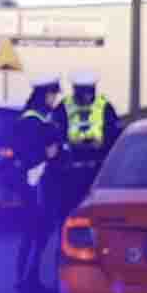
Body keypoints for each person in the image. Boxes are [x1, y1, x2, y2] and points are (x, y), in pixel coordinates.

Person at [12, 75, 63, 293]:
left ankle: (30, 282)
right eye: (53, 94)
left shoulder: (39, 118)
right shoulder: (32, 121)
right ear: (45, 95)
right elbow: (29, 155)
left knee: (36, 235)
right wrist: (48, 153)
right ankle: (26, 285)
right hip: (35, 184)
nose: (54, 98)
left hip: (40, 184)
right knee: (34, 234)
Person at [50, 71, 121, 226]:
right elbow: (54, 134)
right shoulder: (64, 107)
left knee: (96, 212)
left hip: (96, 169)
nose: (87, 95)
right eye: (83, 91)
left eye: (90, 91)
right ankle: (64, 246)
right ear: (75, 89)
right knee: (68, 213)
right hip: (70, 170)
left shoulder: (105, 106)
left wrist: (103, 149)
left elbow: (115, 135)